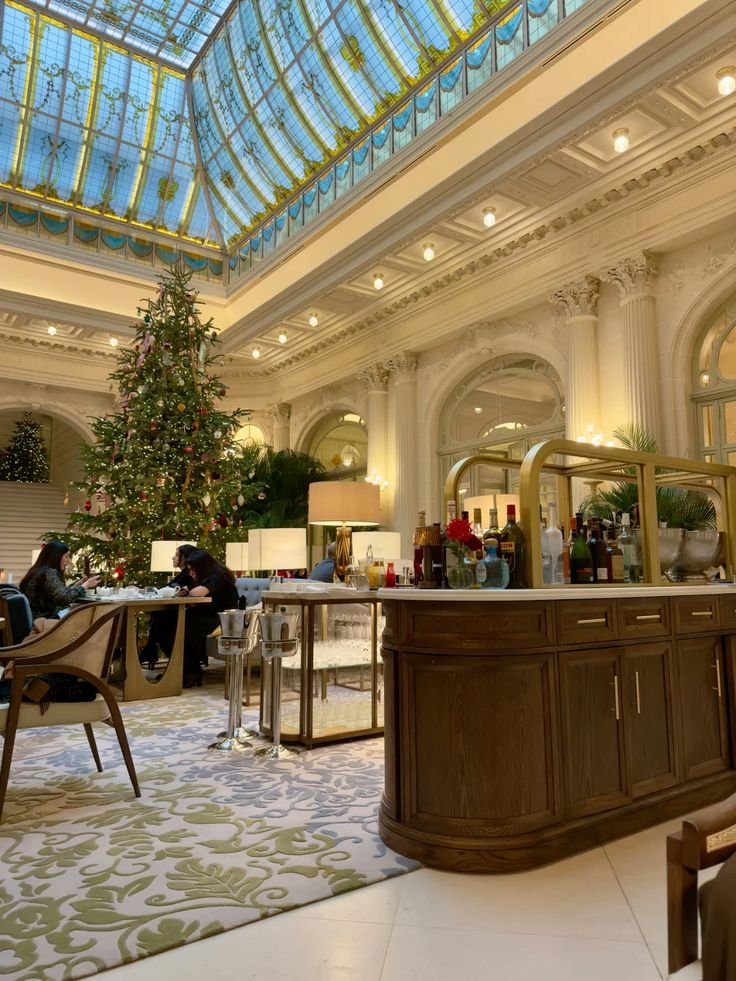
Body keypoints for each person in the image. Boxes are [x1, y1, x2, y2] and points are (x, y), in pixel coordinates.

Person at [181, 549, 239, 688]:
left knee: (187, 625)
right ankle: (183, 669)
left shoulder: (217, 577)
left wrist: (188, 590)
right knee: (176, 621)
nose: (191, 573)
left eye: (193, 569)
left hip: (224, 619)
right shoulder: (213, 576)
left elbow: (197, 593)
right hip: (213, 615)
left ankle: (192, 671)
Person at [139, 544, 196, 670]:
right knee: (159, 615)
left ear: (185, 558)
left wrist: (143, 591)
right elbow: (166, 591)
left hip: (187, 613)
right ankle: (151, 650)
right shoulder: (183, 574)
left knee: (161, 619)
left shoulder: (188, 575)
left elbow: (170, 591)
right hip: (176, 610)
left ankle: (150, 650)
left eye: (176, 555)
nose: (173, 558)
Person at [20, 540, 100, 620]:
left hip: (38, 619)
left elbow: (59, 594)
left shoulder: (39, 571)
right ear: (56, 556)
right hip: (45, 622)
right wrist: (86, 585)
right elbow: (64, 598)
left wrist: (78, 585)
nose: (68, 561)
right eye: (66, 556)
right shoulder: (49, 573)